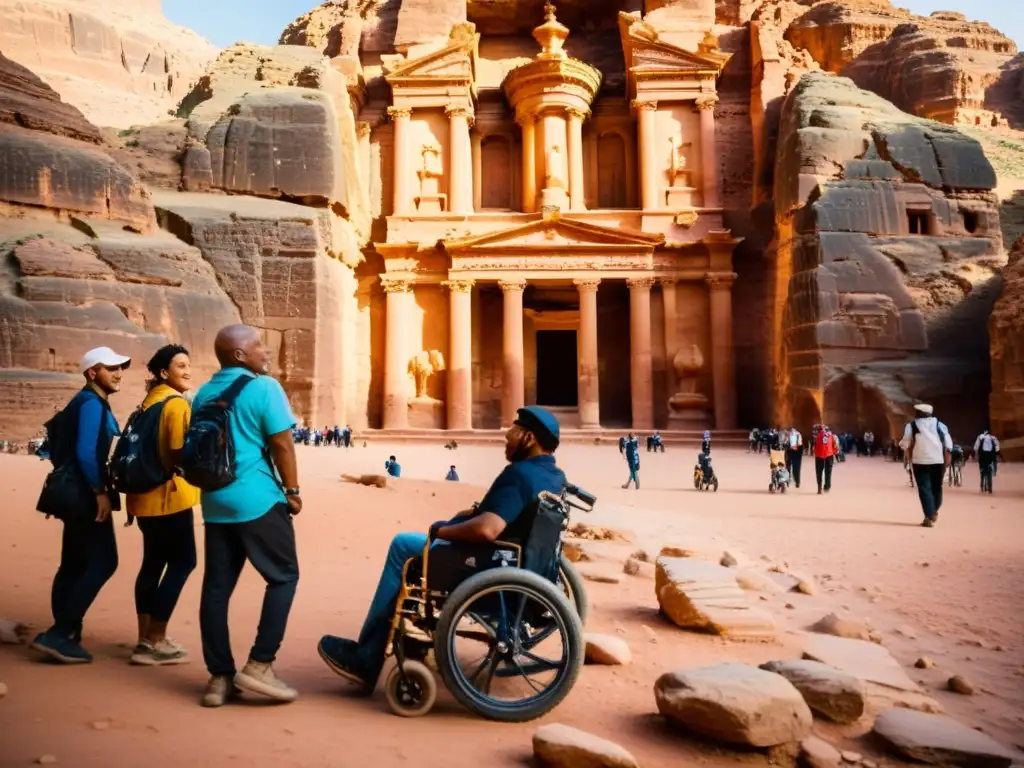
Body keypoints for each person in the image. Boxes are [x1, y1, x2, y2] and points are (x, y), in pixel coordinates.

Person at [316, 406, 566, 691]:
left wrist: (442, 530)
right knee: (419, 545)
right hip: (522, 564)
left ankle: (366, 658)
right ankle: (407, 640)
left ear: (529, 438)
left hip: (487, 565)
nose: (506, 437)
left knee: (403, 547)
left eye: (513, 431)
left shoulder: (520, 474)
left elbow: (487, 529)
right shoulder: (553, 475)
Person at [192, 325, 302, 708]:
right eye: (258, 345)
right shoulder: (264, 387)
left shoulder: (204, 392)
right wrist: (293, 491)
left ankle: (219, 678)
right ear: (240, 355)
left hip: (215, 502)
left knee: (216, 590)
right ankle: (260, 664)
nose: (265, 350)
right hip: (256, 499)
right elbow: (282, 443)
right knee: (284, 576)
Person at [31, 347, 130, 664]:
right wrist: (99, 492)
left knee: (73, 563)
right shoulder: (90, 403)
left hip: (71, 491)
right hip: (85, 494)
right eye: (110, 368)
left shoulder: (84, 401)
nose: (118, 373)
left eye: (120, 368)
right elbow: (87, 453)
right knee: (104, 562)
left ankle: (65, 633)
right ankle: (60, 634)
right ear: (92, 373)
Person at [125, 345, 199, 666]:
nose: (188, 371)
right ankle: (156, 639)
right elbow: (176, 453)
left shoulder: (146, 404)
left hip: (142, 497)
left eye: (188, 365)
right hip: (170, 496)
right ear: (164, 373)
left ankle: (144, 638)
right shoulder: (175, 404)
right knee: (184, 563)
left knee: (153, 563)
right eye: (181, 366)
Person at [902, 404, 952, 527]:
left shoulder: (912, 426)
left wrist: (907, 457)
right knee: (936, 488)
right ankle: (930, 515)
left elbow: (905, 444)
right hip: (938, 460)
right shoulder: (940, 425)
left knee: (924, 489)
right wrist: (947, 459)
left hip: (920, 461)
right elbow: (948, 443)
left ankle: (930, 514)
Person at [813, 423, 837, 495]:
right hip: (829, 455)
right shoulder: (831, 435)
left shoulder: (817, 436)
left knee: (819, 472)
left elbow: (815, 446)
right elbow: (835, 445)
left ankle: (819, 489)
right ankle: (827, 486)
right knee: (828, 472)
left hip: (819, 456)